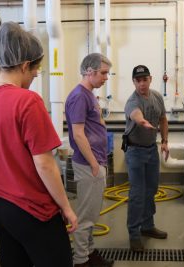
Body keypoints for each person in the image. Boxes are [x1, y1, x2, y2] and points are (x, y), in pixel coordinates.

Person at [0, 22, 77, 267]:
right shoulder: (28, 101)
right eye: (34, 70)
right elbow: (44, 164)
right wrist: (66, 207)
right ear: (23, 65)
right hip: (31, 208)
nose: (35, 75)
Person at [65, 53, 114, 267]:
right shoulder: (79, 96)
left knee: (92, 214)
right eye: (103, 73)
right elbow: (77, 134)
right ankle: (81, 261)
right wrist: (94, 164)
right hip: (88, 165)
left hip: (95, 163)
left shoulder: (89, 95)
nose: (106, 77)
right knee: (86, 216)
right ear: (89, 71)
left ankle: (89, 254)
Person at [124, 65, 170, 252]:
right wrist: (141, 121)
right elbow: (135, 114)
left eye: (145, 79)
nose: (142, 83)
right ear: (134, 82)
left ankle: (147, 226)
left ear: (150, 79)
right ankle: (134, 235)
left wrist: (164, 141)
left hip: (151, 150)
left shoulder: (157, 96)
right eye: (138, 80)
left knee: (151, 190)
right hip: (135, 152)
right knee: (137, 194)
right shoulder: (132, 101)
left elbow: (163, 119)